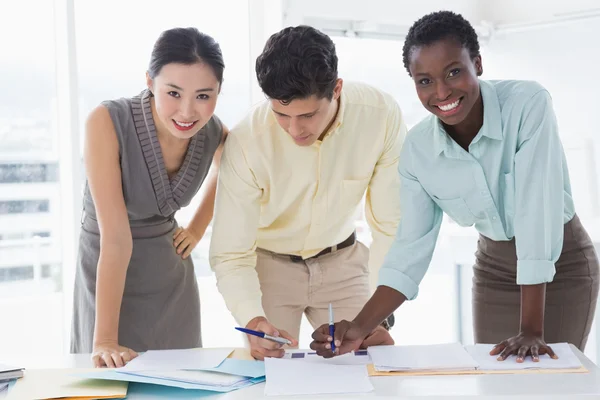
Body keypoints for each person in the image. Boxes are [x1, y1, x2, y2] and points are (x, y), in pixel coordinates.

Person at [311, 11, 599, 362]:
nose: (442, 91)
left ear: (477, 63)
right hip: (494, 271)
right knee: (495, 385)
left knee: (550, 383)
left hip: (562, 265)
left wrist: (532, 329)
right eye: (425, 81)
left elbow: (535, 215)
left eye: (454, 72)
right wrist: (357, 329)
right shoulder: (418, 150)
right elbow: (409, 250)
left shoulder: (527, 105)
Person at [209, 25, 405, 360]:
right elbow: (230, 252)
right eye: (281, 115)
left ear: (337, 89)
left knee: (371, 361)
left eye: (307, 115)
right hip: (269, 266)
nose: (294, 129)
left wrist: (380, 311)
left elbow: (389, 224)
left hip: (342, 261)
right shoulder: (247, 141)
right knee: (270, 371)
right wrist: (252, 318)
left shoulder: (381, 116)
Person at [71, 27, 228, 368]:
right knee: (107, 379)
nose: (187, 112)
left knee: (182, 380)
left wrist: (198, 228)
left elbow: (231, 171)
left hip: (171, 279)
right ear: (150, 81)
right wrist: (105, 340)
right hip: (108, 273)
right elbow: (115, 239)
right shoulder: (107, 121)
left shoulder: (215, 131)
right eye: (173, 92)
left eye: (204, 96)